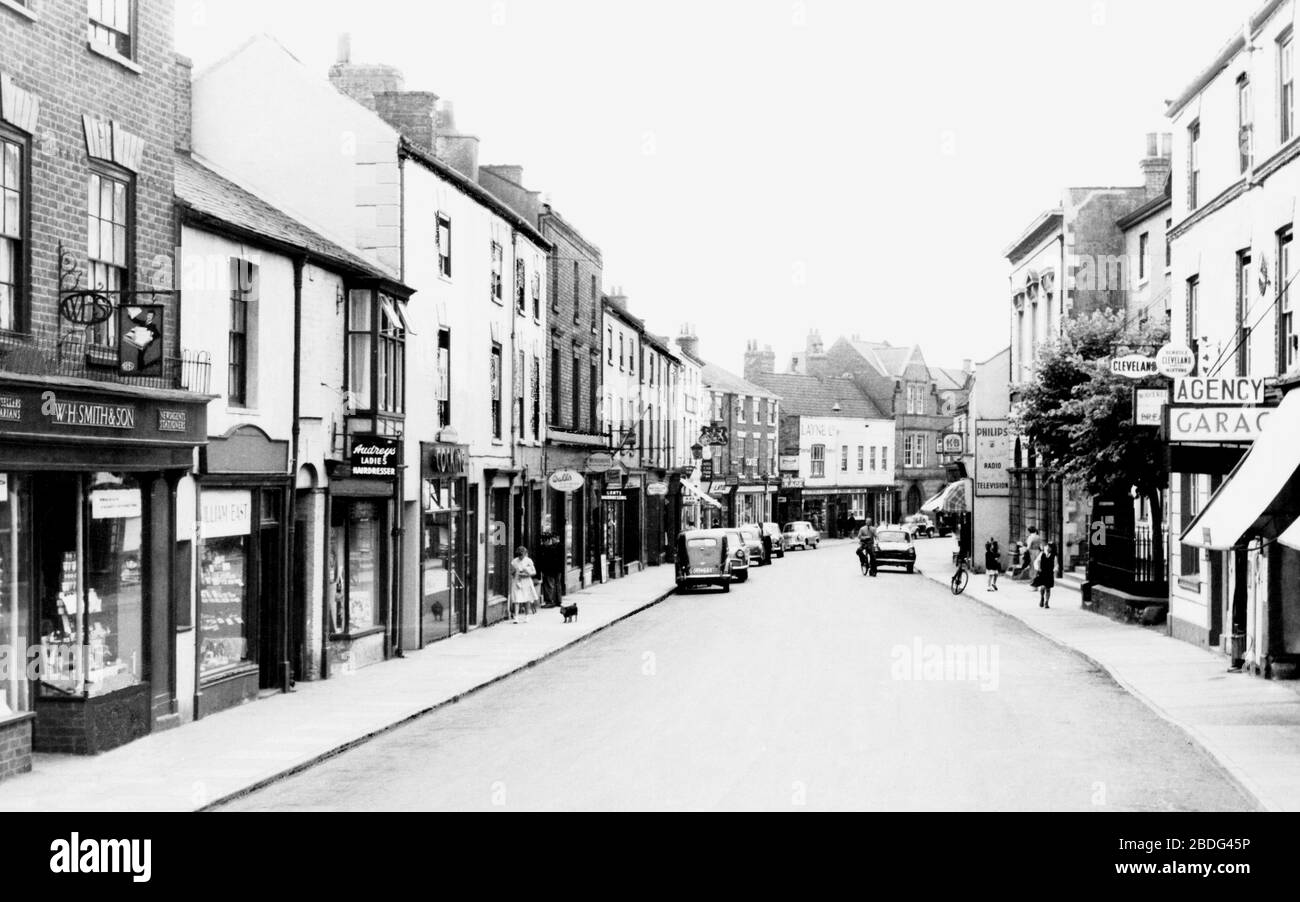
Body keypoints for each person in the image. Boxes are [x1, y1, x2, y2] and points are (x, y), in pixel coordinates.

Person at [536, 516, 564, 609]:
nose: (552, 540)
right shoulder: (557, 547)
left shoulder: (551, 548)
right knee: (557, 584)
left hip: (550, 570)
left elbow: (548, 559)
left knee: (550, 585)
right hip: (557, 569)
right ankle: (557, 600)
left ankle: (550, 601)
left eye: (553, 538)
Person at [509, 546, 538, 623]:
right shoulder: (514, 561)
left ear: (525, 554)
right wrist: (514, 571)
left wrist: (527, 574)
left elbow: (534, 572)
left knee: (527, 598)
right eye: (519, 555)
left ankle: (526, 616)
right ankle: (516, 617)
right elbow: (511, 572)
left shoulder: (529, 561)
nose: (521, 557)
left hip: (526, 581)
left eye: (522, 555)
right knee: (516, 599)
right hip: (517, 581)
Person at [1033, 541, 1057, 608]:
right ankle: (1042, 598)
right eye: (1048, 547)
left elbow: (1056, 565)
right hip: (1042, 572)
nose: (1049, 548)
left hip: (1049, 573)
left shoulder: (1054, 556)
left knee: (1048, 588)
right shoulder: (1042, 554)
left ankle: (1047, 602)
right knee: (1043, 587)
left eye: (1051, 547)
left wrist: (1054, 570)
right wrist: (1038, 568)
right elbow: (1037, 561)